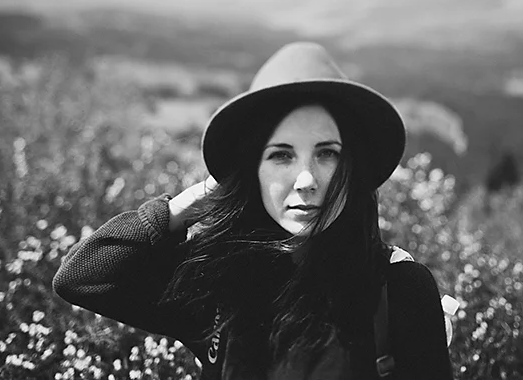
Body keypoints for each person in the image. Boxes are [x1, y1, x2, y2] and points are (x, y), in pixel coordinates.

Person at [53, 42, 454, 379]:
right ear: (252, 172)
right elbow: (82, 276)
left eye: (327, 154)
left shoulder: (398, 289)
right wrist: (185, 206)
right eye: (281, 155)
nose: (306, 180)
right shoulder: (211, 280)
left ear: (353, 168)